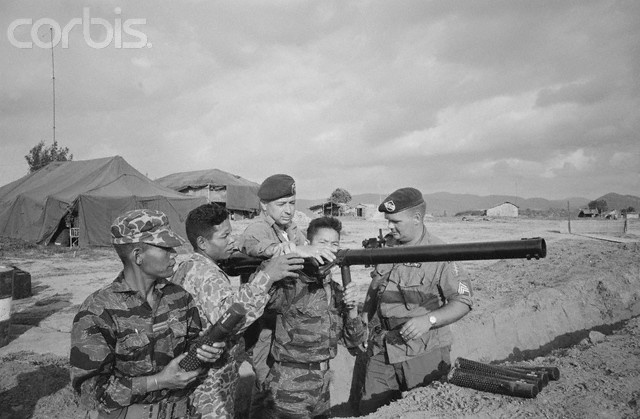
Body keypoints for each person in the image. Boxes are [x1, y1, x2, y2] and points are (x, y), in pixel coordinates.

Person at [70, 209, 223, 419]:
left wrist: (204, 354)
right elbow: (90, 393)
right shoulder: (98, 310)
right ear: (138, 256)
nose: (174, 254)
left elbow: (190, 353)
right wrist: (158, 381)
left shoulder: (179, 298)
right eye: (165, 248)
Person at [171, 203, 304, 418]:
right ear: (202, 243)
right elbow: (230, 320)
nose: (231, 240)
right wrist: (267, 277)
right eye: (224, 236)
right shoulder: (206, 275)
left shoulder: (190, 266)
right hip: (209, 382)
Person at [358, 188, 474, 414]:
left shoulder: (441, 254)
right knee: (370, 410)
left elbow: (463, 300)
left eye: (396, 221)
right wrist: (365, 318)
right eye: (388, 221)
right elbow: (375, 286)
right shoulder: (388, 248)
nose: (389, 227)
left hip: (423, 351)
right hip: (384, 347)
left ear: (417, 218)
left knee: (423, 410)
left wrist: (428, 320)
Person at [239, 174, 335, 417]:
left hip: (288, 321)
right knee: (267, 390)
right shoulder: (259, 228)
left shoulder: (290, 229)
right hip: (266, 325)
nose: (289, 210)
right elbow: (249, 244)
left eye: (292, 203)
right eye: (281, 204)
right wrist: (284, 249)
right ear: (264, 205)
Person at [262, 216, 367, 418]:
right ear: (308, 244)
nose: (328, 249)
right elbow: (259, 289)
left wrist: (353, 308)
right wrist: (289, 252)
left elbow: (354, 342)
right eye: (322, 243)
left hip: (323, 384)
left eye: (334, 244)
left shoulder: (336, 290)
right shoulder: (290, 283)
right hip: (289, 386)